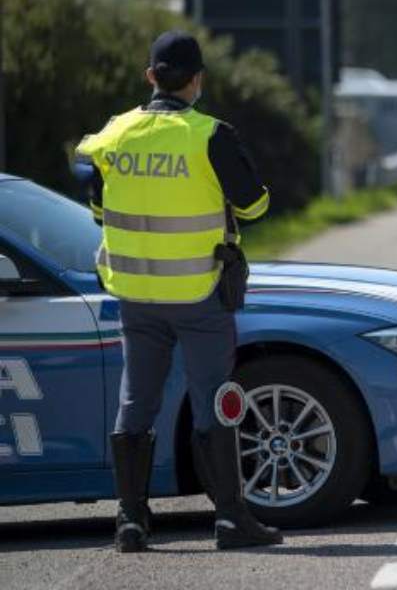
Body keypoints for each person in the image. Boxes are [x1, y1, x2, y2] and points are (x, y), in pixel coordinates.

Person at [74, 31, 283, 552]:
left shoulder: (115, 134)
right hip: (198, 293)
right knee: (217, 400)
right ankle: (232, 519)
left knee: (136, 400)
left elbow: (100, 210)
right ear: (198, 80)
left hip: (135, 294)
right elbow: (255, 206)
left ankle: (130, 521)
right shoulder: (210, 135)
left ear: (150, 77)